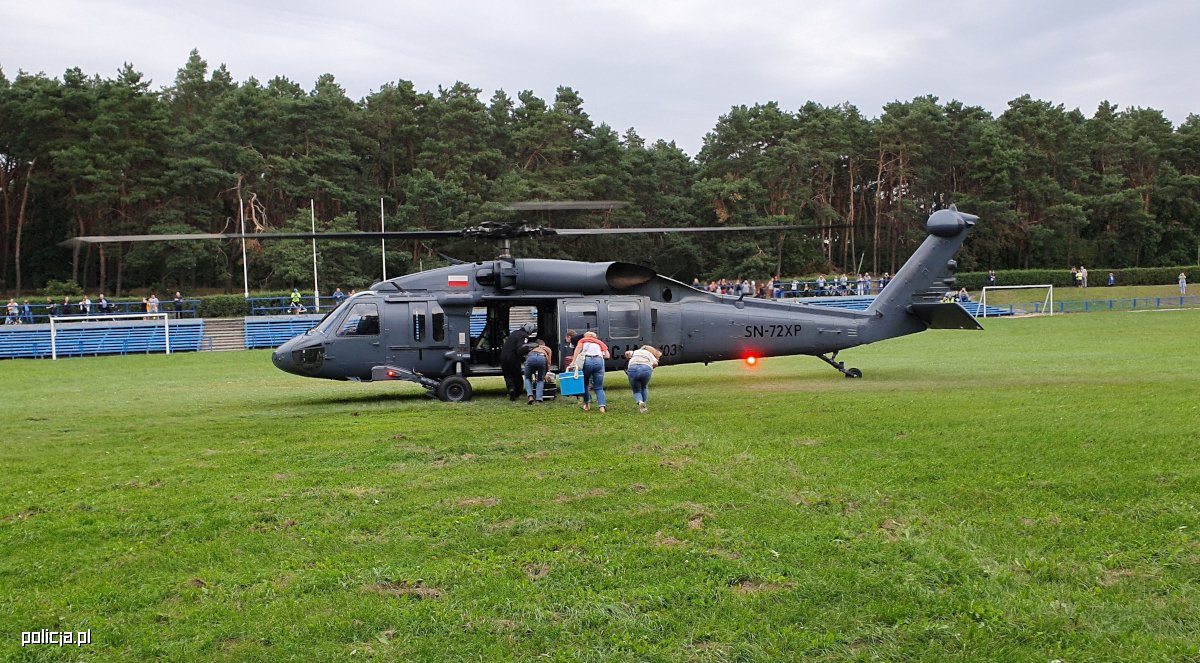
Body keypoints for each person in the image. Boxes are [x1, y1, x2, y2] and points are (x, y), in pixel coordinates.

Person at [570, 331, 610, 412]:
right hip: (599, 361)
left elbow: (578, 349)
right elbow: (607, 356)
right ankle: (602, 407)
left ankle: (587, 405)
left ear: (585, 336)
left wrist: (573, 361)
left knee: (585, 384)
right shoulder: (600, 343)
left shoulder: (582, 341)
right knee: (599, 387)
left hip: (587, 361)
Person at [500, 322, 535, 401]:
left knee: (508, 374)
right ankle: (518, 392)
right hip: (512, 357)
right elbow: (520, 348)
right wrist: (529, 349)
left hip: (503, 356)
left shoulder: (514, 333)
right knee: (516, 374)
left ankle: (511, 389)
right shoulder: (524, 336)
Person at [624, 345, 662, 413]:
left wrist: (628, 358)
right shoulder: (650, 354)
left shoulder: (635, 352)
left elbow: (627, 353)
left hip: (633, 369)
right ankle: (644, 405)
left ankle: (640, 401)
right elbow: (656, 363)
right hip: (646, 369)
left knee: (636, 390)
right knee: (644, 387)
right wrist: (651, 368)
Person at [523, 339, 553, 404]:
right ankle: (539, 398)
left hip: (530, 358)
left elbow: (526, 359)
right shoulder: (547, 349)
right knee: (540, 380)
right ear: (543, 344)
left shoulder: (532, 347)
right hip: (542, 358)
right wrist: (546, 373)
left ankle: (530, 396)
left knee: (527, 378)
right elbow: (549, 362)